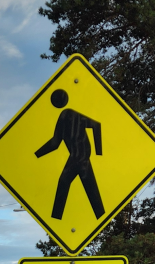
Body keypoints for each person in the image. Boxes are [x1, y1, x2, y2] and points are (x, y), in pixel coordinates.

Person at [35, 88, 105, 219]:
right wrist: (36, 154)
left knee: (64, 182)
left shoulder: (70, 114)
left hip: (80, 156)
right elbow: (55, 143)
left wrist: (99, 152)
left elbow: (96, 125)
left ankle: (56, 218)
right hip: (79, 156)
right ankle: (99, 214)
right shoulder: (64, 116)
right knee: (90, 189)